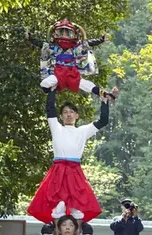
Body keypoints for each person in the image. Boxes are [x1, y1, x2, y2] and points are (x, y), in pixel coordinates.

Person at [26, 87, 115, 224]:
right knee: (58, 206)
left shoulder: (83, 131)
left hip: (74, 171)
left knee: (77, 208)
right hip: (58, 170)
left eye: (72, 112)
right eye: (65, 112)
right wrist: (52, 90)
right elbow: (50, 109)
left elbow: (103, 121)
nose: (68, 115)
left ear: (77, 115)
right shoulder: (56, 128)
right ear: (61, 116)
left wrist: (104, 102)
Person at [28, 19, 111, 97]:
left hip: (72, 73)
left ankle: (103, 93)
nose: (64, 35)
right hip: (58, 73)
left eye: (68, 33)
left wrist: (101, 39)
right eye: (61, 32)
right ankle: (53, 89)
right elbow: (39, 43)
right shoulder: (52, 47)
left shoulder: (76, 48)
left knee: (85, 84)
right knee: (44, 83)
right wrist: (30, 38)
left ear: (74, 35)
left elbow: (90, 43)